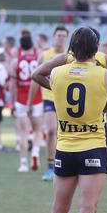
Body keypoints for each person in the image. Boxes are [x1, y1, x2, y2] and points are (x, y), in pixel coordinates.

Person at [30, 27, 107, 213]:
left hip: (75, 132)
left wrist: (105, 91)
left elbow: (37, 74)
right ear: (95, 45)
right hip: (87, 134)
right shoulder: (85, 60)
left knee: (65, 201)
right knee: (86, 200)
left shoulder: (95, 59)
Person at [33, 26, 107, 213]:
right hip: (92, 146)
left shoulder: (57, 72)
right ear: (96, 49)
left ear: (71, 48)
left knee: (59, 206)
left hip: (65, 146)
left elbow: (38, 75)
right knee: (87, 206)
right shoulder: (106, 76)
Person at [28, 26, 69, 182]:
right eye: (59, 35)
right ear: (54, 37)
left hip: (66, 99)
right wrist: (30, 103)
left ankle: (61, 164)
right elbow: (35, 80)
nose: (61, 38)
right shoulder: (44, 55)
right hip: (49, 98)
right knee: (51, 130)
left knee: (64, 132)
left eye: (64, 36)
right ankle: (50, 166)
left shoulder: (70, 56)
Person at [10, 30, 43, 172]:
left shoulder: (15, 62)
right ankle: (35, 152)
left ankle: (23, 163)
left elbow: (12, 86)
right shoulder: (39, 59)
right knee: (37, 130)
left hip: (21, 99)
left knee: (23, 132)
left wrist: (12, 103)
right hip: (37, 98)